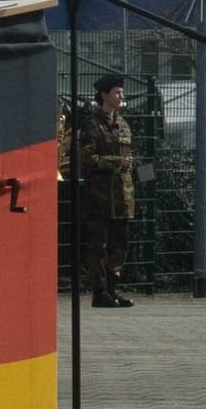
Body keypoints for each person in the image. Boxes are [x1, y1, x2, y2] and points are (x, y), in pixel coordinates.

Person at [68, 70, 135, 310]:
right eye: (116, 92)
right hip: (100, 197)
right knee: (99, 245)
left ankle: (114, 290)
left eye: (121, 92)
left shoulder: (124, 125)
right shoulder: (92, 125)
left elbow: (128, 158)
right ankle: (100, 290)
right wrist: (115, 162)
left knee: (120, 244)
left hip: (122, 196)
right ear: (104, 95)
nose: (121, 96)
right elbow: (86, 158)